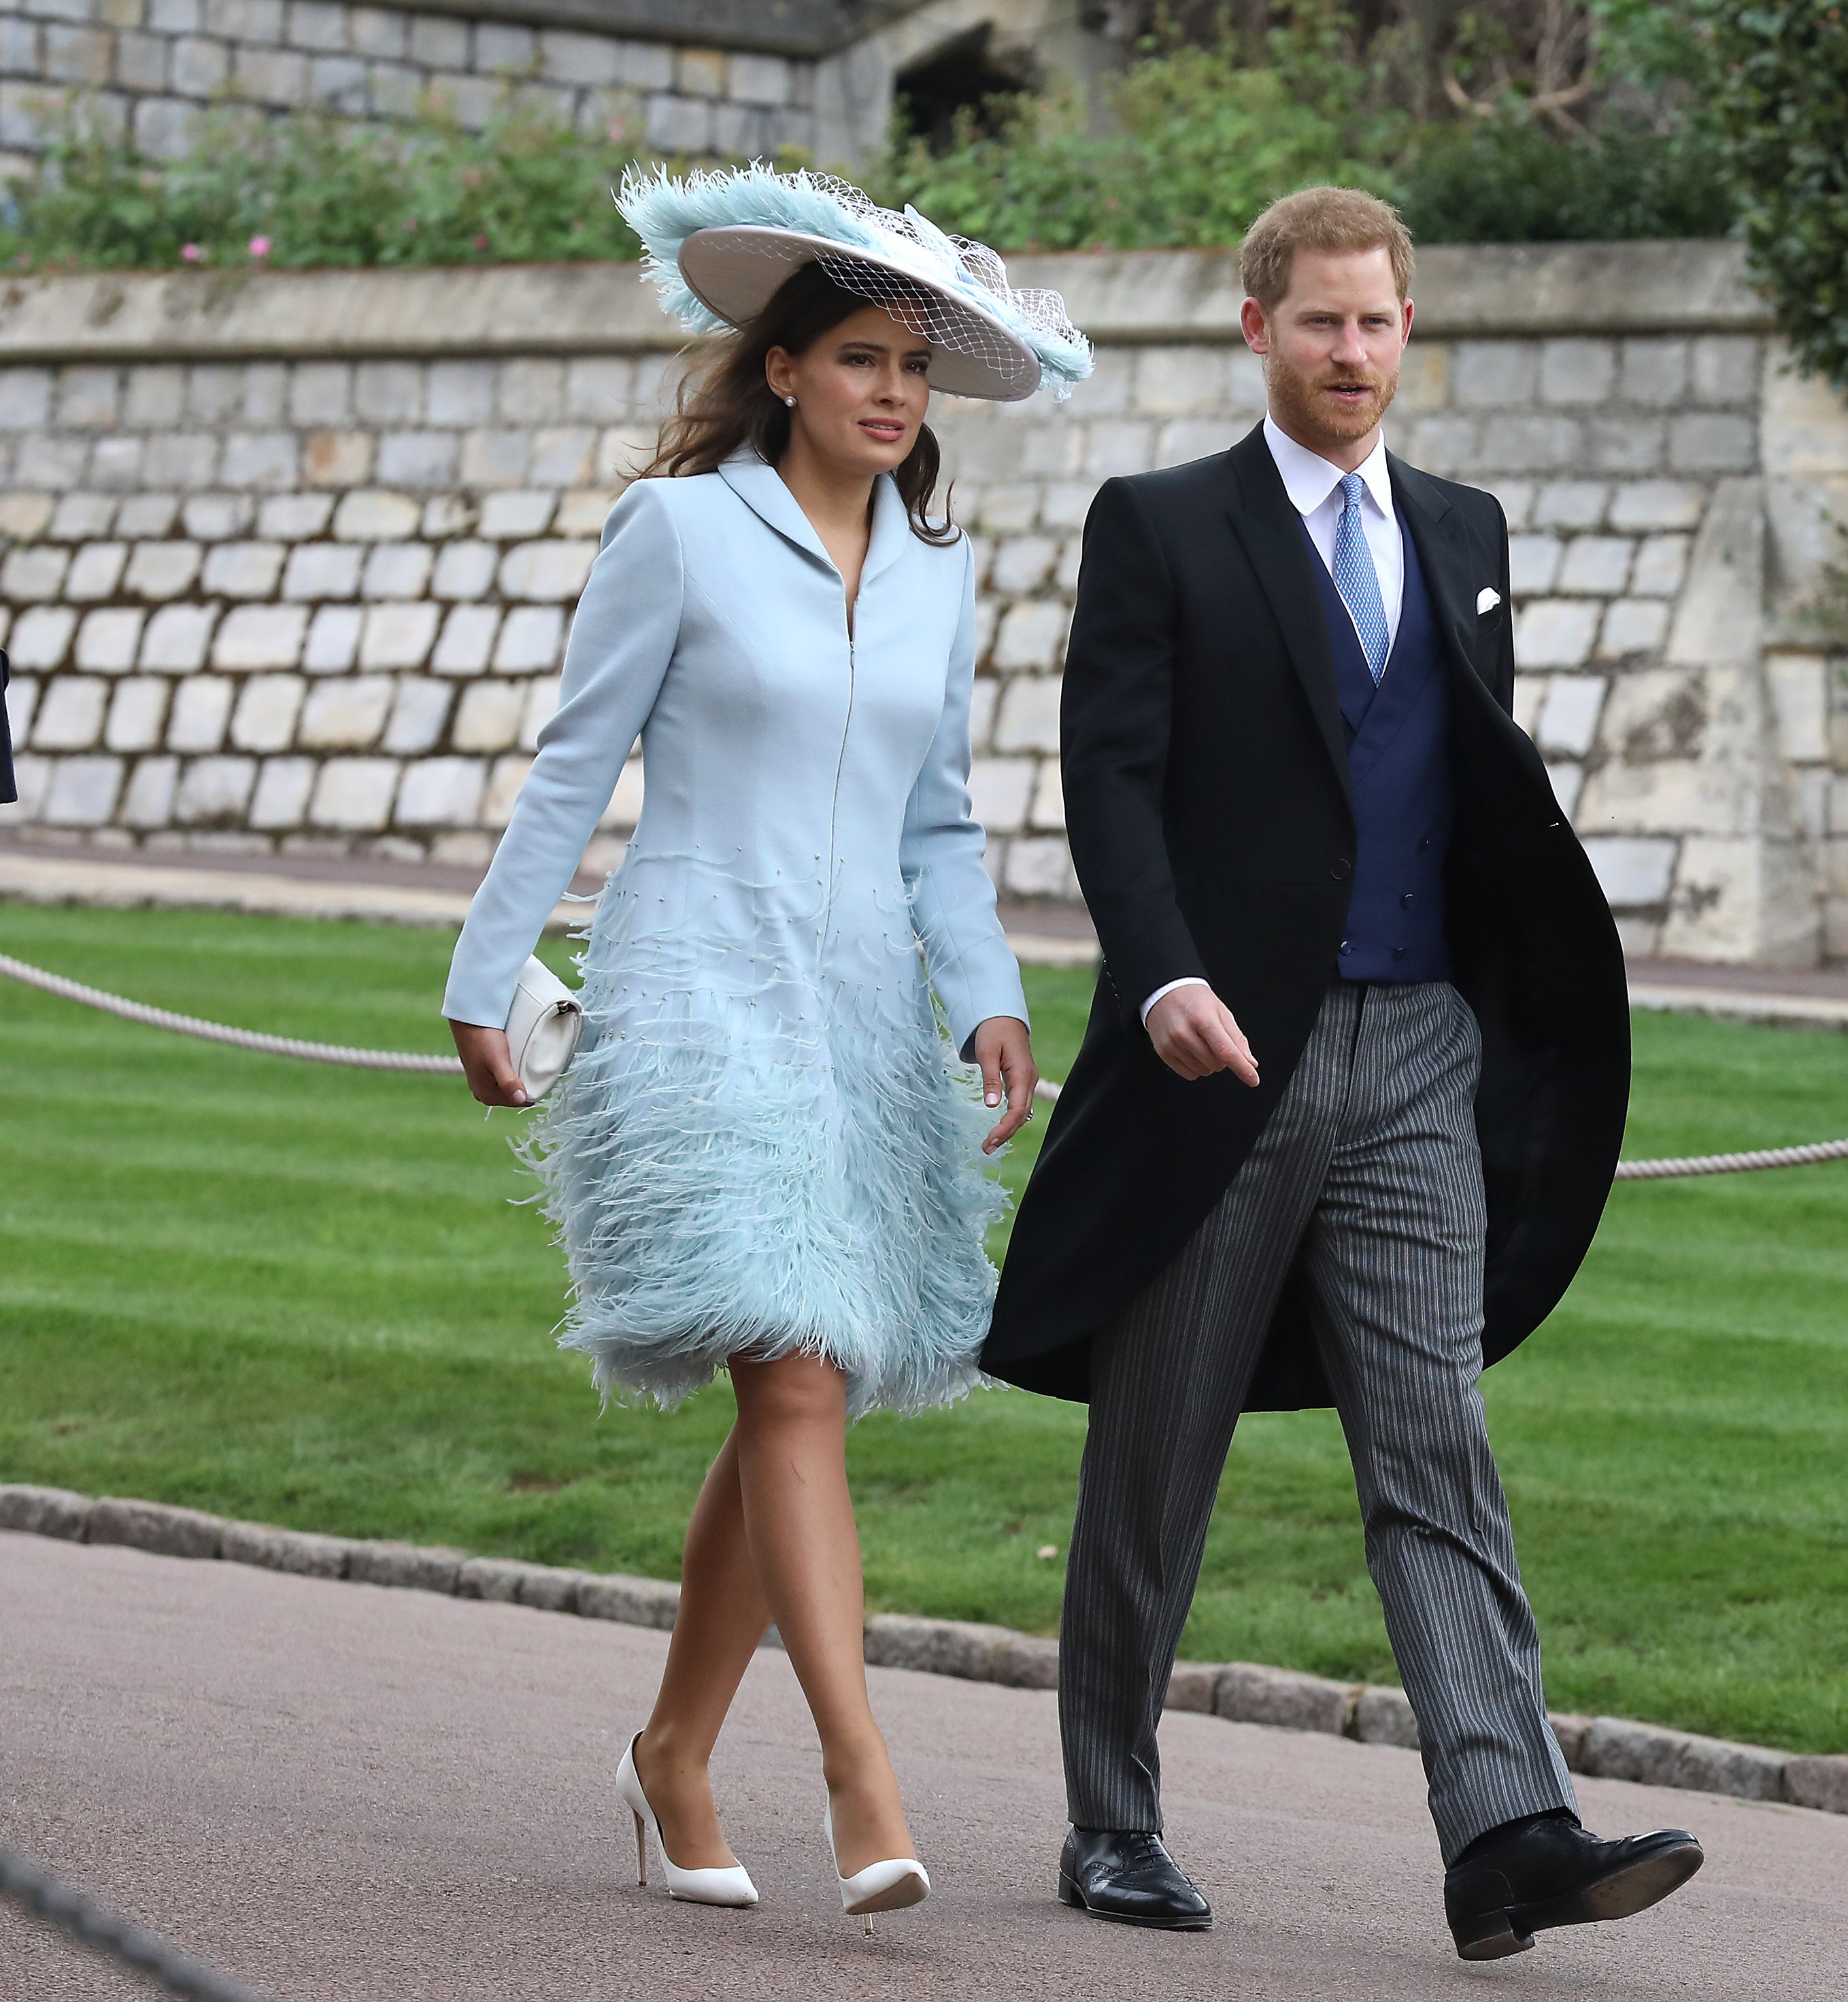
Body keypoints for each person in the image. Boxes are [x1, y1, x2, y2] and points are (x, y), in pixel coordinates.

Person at [984, 186, 1703, 1962]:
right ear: (1258, 328)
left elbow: (1459, 793)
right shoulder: (1162, 527)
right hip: (1214, 1059)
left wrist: (1501, 1016)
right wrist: (1155, 974)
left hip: (1415, 1062)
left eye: (1379, 324)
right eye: (1320, 323)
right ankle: (1114, 1816)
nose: (1354, 355)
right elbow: (1114, 778)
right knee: (1161, 1451)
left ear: (1407, 328)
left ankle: (1505, 1827)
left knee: (1435, 1438)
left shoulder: (1465, 530)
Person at [441, 166, 1088, 1927]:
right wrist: (483, 975)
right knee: (794, 1370)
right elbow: (576, 767)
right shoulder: (683, 532)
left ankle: (669, 1753)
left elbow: (941, 823)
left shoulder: (944, 574)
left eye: (915, 371)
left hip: (868, 1008)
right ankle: (859, 1774)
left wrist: (990, 991)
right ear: (784, 366)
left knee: (797, 1381)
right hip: (696, 981)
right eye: (863, 358)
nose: (893, 392)